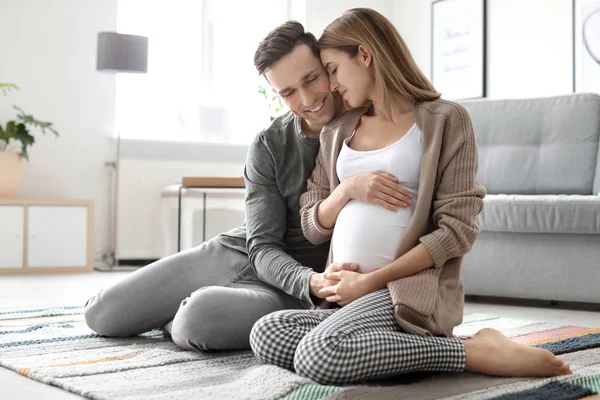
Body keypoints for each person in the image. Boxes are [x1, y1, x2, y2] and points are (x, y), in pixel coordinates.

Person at [250, 8, 572, 384]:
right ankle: (403, 346)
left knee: (319, 355)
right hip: (344, 294)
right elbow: (312, 226)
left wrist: (371, 282)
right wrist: (347, 190)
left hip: (400, 293)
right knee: (266, 333)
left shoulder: (444, 120)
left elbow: (456, 232)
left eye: (333, 70)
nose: (331, 86)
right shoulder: (337, 131)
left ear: (365, 56)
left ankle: (470, 352)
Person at [83, 21, 411, 352]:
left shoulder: (370, 126)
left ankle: (184, 311)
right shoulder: (270, 143)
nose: (308, 98)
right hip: (239, 254)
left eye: (311, 78)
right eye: (288, 92)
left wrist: (312, 283)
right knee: (102, 315)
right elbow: (262, 247)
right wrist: (308, 280)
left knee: (195, 322)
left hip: (294, 289)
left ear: (327, 67)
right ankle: (184, 306)